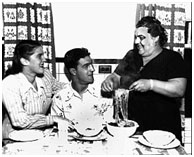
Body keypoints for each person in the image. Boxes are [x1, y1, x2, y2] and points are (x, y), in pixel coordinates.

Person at [101, 16, 187, 143]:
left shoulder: (172, 58)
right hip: (130, 128)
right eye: (135, 37)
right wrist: (109, 81)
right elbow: (116, 77)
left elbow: (179, 89)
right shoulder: (131, 56)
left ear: (155, 37)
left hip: (162, 129)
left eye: (141, 38)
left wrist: (151, 84)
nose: (136, 41)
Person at [2, 40, 69, 144]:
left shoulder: (45, 75)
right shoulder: (10, 83)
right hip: (14, 139)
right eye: (39, 56)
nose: (44, 59)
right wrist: (53, 119)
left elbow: (61, 88)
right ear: (24, 61)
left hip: (39, 135)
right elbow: (20, 121)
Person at [51, 48, 113, 125]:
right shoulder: (59, 98)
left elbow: (110, 125)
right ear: (73, 71)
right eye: (86, 66)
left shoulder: (103, 95)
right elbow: (58, 130)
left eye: (91, 65)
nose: (92, 69)